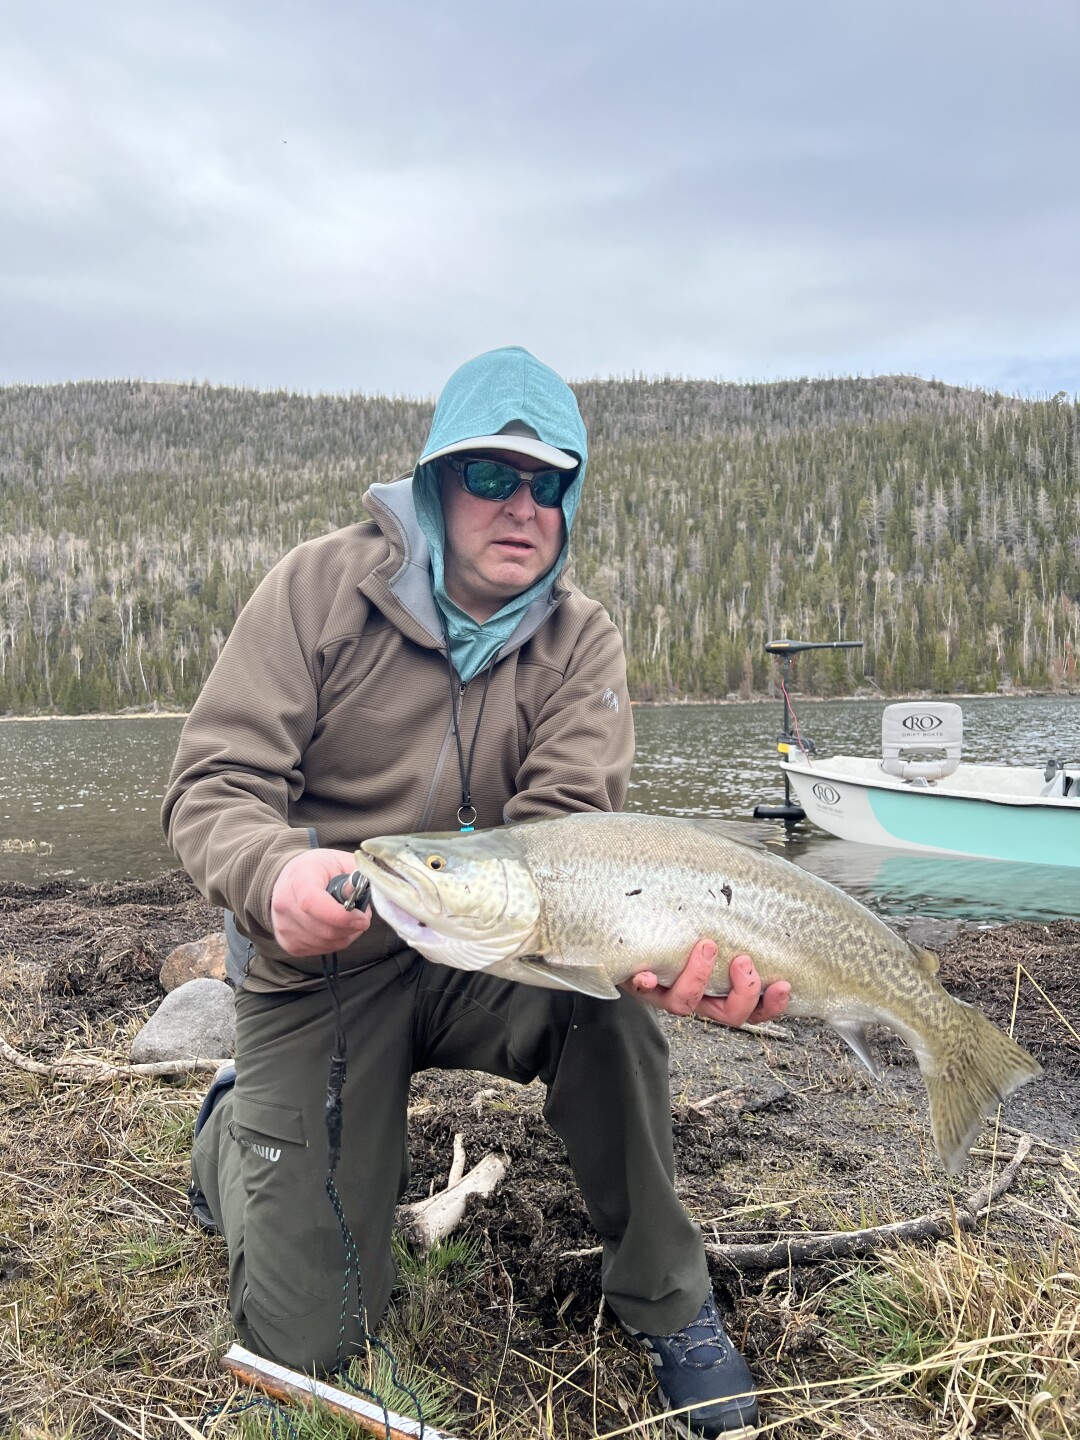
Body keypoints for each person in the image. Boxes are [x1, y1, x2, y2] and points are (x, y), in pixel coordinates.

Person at [163, 346, 789, 1437]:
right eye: (491, 476)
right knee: (314, 1343)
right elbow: (211, 788)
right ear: (435, 483)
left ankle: (668, 1298)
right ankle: (231, 1132)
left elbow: (571, 840)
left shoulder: (577, 636)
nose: (522, 506)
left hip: (491, 953)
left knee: (615, 1007)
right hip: (323, 970)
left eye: (548, 482)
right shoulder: (315, 590)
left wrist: (658, 956)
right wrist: (276, 876)